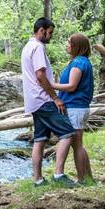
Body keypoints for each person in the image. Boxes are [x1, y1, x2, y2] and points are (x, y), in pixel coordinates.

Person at [20, 17, 77, 187]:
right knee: (68, 133)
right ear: (42, 30)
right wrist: (55, 97)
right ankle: (59, 175)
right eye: (50, 32)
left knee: (40, 139)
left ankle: (38, 180)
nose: (51, 36)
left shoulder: (27, 47)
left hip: (33, 101)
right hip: (43, 100)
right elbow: (40, 76)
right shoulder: (37, 47)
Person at [52, 33, 94, 184]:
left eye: (70, 43)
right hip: (78, 107)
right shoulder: (81, 61)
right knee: (79, 145)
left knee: (77, 146)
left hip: (75, 107)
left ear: (77, 46)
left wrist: (50, 85)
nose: (67, 45)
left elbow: (71, 86)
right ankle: (88, 178)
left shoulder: (78, 63)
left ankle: (82, 179)